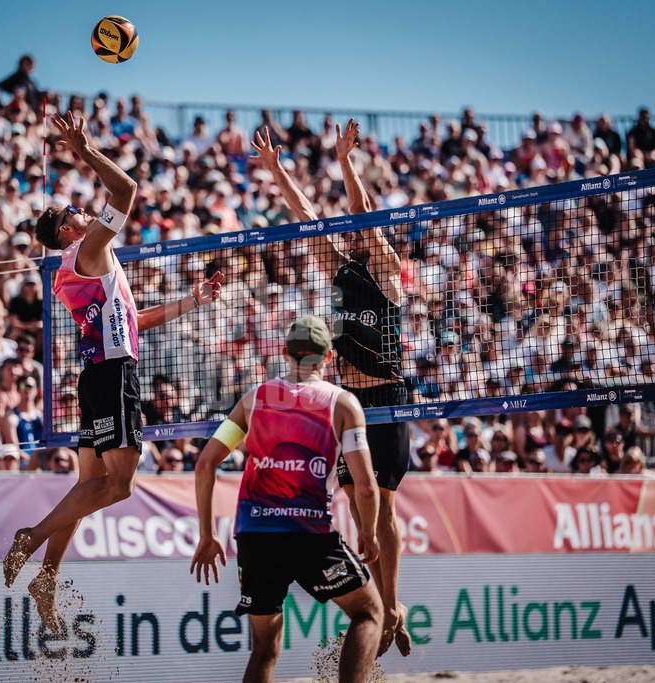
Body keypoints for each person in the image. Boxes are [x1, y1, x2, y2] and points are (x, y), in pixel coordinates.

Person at [2, 111, 225, 633]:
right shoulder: (87, 249)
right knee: (119, 486)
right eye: (76, 210)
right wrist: (84, 149)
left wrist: (191, 301)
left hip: (99, 372)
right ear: (66, 229)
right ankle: (30, 538)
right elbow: (125, 190)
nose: (84, 211)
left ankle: (46, 578)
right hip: (111, 375)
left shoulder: (80, 267)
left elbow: (133, 321)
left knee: (90, 485)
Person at [252, 120, 411, 657]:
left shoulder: (388, 270)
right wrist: (277, 171)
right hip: (348, 404)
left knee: (382, 504)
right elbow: (305, 218)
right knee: (358, 501)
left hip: (386, 398)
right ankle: (381, 600)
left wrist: (346, 162)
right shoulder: (340, 269)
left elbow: (366, 218)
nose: (355, 231)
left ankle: (389, 605)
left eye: (363, 230)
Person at [191, 315, 382, 683]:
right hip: (308, 535)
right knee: (369, 613)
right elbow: (367, 486)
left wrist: (206, 534)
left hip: (254, 536)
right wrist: (369, 534)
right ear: (329, 357)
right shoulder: (342, 403)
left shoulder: (254, 399)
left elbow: (205, 465)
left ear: (284, 353)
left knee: (264, 648)